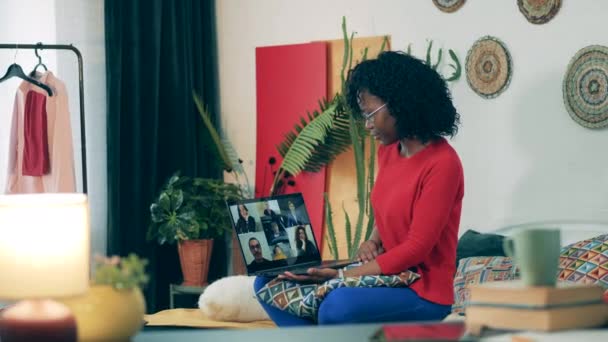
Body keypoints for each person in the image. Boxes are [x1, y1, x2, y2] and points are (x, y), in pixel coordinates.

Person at [254, 51, 464, 326]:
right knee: (267, 283)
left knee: (336, 306)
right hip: (387, 276)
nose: (367, 126)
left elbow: (416, 248)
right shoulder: (388, 151)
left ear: (400, 104)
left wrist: (344, 277)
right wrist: (373, 241)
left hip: (422, 291)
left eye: (370, 115)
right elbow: (391, 209)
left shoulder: (443, 163)